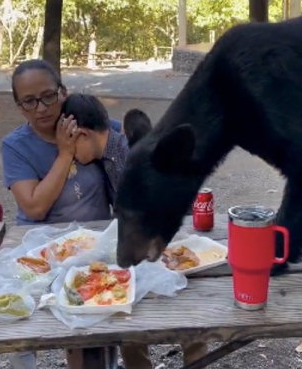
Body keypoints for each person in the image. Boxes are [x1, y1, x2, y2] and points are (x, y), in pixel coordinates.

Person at [59, 93, 209, 369]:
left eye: (69, 143)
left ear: (81, 134)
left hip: (171, 241)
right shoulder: (110, 151)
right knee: (129, 314)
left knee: (187, 322)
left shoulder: (127, 157)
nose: (69, 154)